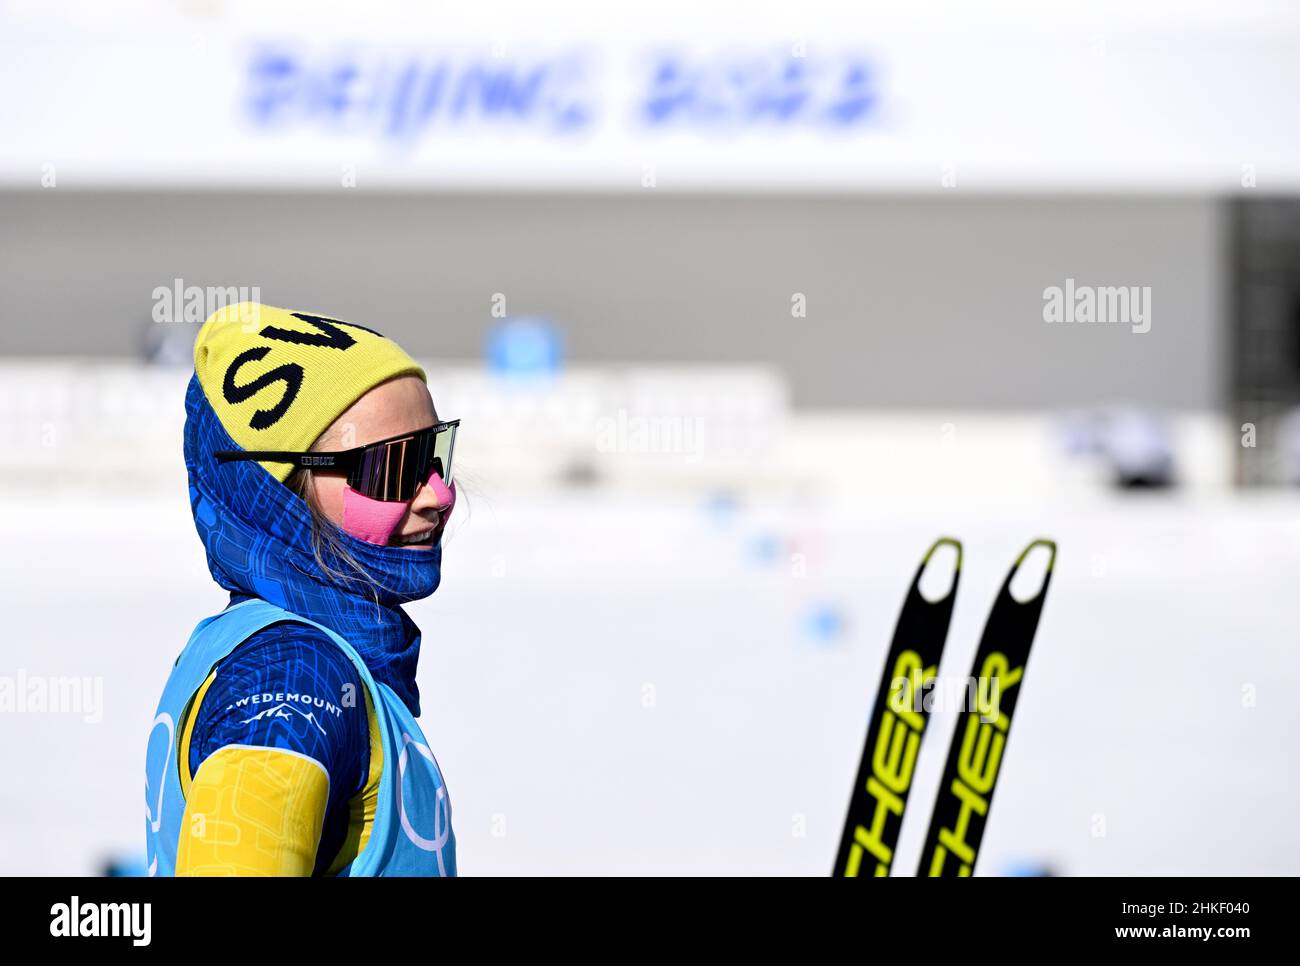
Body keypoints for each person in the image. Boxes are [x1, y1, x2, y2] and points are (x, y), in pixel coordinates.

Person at [145, 303, 459, 876]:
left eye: (436, 454)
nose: (436, 494)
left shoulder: (275, 649)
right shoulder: (291, 677)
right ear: (280, 494)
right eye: (392, 468)